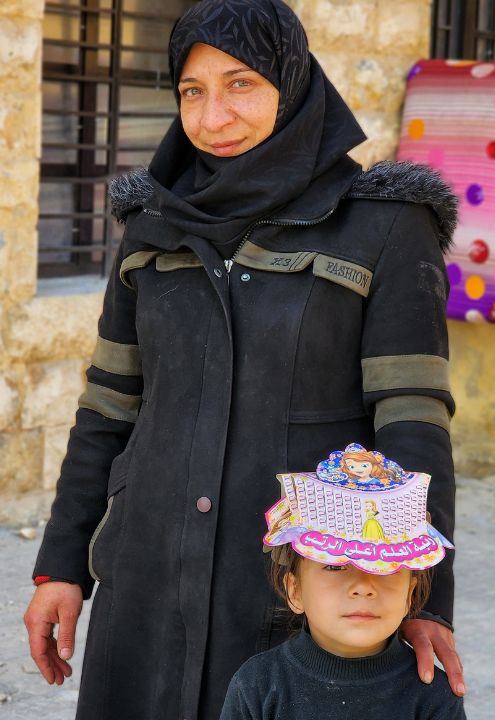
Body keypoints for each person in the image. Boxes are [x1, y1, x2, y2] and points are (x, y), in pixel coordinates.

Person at [23, 1, 463, 719]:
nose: (212, 117)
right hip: (148, 578)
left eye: (241, 84)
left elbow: (414, 422)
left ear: (292, 84)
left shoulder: (383, 226)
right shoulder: (151, 226)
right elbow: (108, 406)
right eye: (191, 91)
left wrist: (425, 598)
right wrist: (63, 565)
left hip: (295, 590)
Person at [219, 447, 466, 719]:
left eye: (385, 567)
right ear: (295, 591)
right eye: (335, 566)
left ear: (410, 593)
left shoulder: (434, 698)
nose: (363, 586)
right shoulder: (257, 685)